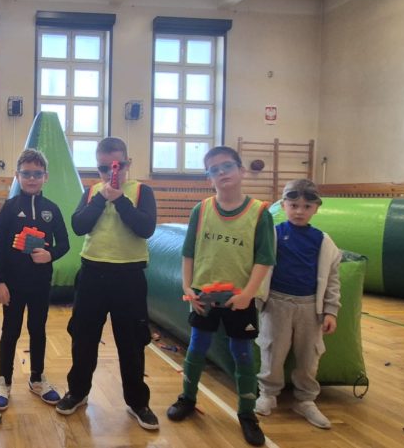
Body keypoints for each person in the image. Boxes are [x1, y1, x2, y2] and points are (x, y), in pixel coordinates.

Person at [166, 146, 275, 447]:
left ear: (241, 170)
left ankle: (247, 414)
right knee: (196, 348)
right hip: (204, 296)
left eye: (227, 166)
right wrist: (187, 287)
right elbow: (188, 252)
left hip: (239, 299)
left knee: (243, 354)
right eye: (214, 170)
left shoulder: (260, 213)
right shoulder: (201, 210)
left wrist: (248, 294)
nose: (221, 173)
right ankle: (187, 398)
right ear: (209, 178)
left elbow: (264, 259)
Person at [56, 137, 160, 430]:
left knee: (132, 342)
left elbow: (146, 228)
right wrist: (103, 197)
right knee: (83, 337)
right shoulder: (91, 192)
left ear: (128, 164)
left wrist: (120, 200)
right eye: (103, 168)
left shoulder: (142, 192)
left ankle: (138, 402)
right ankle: (77, 392)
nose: (110, 173)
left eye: (117, 166)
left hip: (129, 276)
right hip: (93, 274)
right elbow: (79, 225)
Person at [255, 179, 341, 429]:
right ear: (283, 205)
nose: (299, 211)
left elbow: (332, 279)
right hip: (276, 303)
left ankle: (305, 399)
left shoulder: (323, 241)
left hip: (309, 307)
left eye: (306, 206)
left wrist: (330, 311)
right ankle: (268, 394)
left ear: (316, 208)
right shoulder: (274, 234)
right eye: (293, 205)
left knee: (309, 355)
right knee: (272, 350)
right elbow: (258, 267)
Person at [0, 148, 70, 410]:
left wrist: (50, 255)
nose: (32, 179)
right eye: (26, 174)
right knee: (10, 331)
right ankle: (4, 380)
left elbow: (65, 244)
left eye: (37, 174)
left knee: (38, 330)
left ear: (45, 176)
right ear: (17, 176)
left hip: (40, 284)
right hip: (12, 285)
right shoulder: (10, 208)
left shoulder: (52, 209)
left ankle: (37, 378)